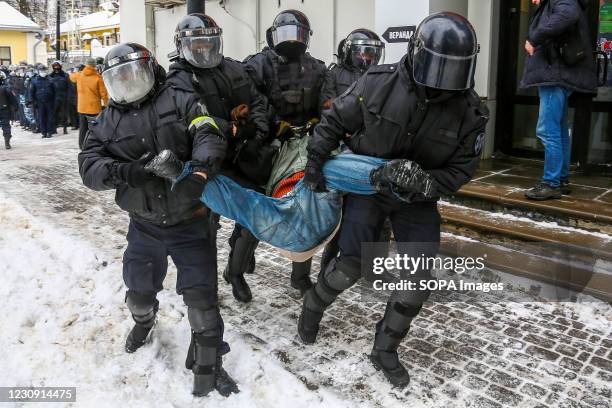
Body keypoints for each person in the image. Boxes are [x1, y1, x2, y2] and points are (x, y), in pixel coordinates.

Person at [298, 12, 489, 388]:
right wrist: (315, 162)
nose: (442, 81)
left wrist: (427, 183)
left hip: (417, 200)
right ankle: (313, 305)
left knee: (417, 279)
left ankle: (385, 348)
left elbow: (462, 169)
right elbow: (335, 120)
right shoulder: (380, 81)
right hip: (369, 188)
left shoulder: (471, 112)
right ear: (417, 54)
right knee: (351, 265)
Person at [78, 43, 238, 397]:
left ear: (150, 71)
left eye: (133, 75)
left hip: (191, 221)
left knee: (203, 305)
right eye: (119, 79)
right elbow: (88, 167)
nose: (128, 84)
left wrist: (198, 172)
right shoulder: (105, 121)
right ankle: (143, 323)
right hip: (144, 226)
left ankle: (210, 366)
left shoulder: (180, 99)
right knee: (138, 294)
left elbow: (208, 133)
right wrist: (124, 171)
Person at [167, 13, 271, 303]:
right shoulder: (177, 80)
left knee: (255, 214)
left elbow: (257, 100)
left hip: (243, 157)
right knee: (204, 227)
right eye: (197, 44)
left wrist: (258, 132)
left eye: (209, 42)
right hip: (205, 162)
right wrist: (233, 128)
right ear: (183, 45)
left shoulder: (235, 69)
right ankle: (203, 284)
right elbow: (187, 117)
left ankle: (235, 271)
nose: (204, 49)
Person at [245, 9, 327, 296]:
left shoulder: (316, 67)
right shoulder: (258, 65)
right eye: (286, 33)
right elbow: (251, 100)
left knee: (305, 209)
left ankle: (300, 275)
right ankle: (239, 261)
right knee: (255, 207)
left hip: (304, 147)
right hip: (270, 145)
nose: (292, 40)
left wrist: (318, 124)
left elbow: (325, 103)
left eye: (298, 34)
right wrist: (271, 126)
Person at [318, 28, 389, 273]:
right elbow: (328, 108)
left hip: (372, 149)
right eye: (362, 52)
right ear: (349, 51)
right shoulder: (335, 74)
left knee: (380, 211)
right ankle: (329, 264)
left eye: (372, 53)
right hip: (343, 149)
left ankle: (375, 266)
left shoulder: (381, 76)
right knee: (342, 213)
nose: (367, 58)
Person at [521, 0, 597, 200]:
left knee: (547, 129)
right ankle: (561, 179)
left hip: (555, 75)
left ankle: (551, 183)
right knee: (560, 128)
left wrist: (534, 38)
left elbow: (567, 15)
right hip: (557, 74)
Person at [70, 58, 108, 149]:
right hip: (94, 108)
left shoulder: (79, 75)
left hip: (82, 108)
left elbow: (71, 77)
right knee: (94, 128)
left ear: (86, 64)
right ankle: (93, 145)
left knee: (83, 128)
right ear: (94, 65)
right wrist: (107, 105)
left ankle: (82, 145)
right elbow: (104, 94)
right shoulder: (98, 78)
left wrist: (76, 72)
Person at [27, 65, 55, 139]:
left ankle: (49, 132)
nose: (43, 72)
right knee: (41, 117)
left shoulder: (51, 80)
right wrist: (31, 101)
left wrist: (55, 101)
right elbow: (31, 92)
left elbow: (55, 92)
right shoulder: (34, 80)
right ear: (39, 72)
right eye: (41, 71)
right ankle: (43, 132)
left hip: (50, 101)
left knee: (50, 117)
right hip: (39, 102)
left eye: (44, 71)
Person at [49, 61, 70, 135]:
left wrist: (68, 96)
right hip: (54, 98)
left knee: (64, 114)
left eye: (58, 66)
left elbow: (69, 87)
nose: (56, 68)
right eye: (55, 67)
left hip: (63, 97)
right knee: (54, 113)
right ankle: (54, 128)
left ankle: (65, 128)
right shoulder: (50, 76)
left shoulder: (65, 75)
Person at [0, 72, 18, 149]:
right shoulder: (6, 88)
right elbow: (13, 99)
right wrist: (16, 106)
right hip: (4, 109)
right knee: (6, 126)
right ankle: (7, 143)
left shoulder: (5, 88)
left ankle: (7, 142)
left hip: (4, 109)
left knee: (6, 126)